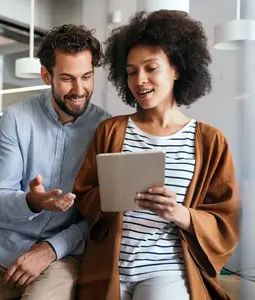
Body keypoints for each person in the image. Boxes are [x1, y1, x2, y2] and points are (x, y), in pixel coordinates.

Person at [73, 10, 240, 300]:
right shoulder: (110, 131)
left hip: (167, 271)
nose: (140, 80)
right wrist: (111, 195)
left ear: (176, 69)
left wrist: (180, 213)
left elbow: (226, 219)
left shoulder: (210, 141)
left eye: (151, 68)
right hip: (108, 268)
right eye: (131, 72)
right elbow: (83, 197)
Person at [0, 24, 110, 300]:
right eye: (67, 78)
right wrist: (32, 201)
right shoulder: (17, 118)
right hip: (7, 251)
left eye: (87, 76)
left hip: (63, 256)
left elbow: (101, 216)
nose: (80, 89)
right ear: (45, 75)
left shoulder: (104, 128)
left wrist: (50, 249)